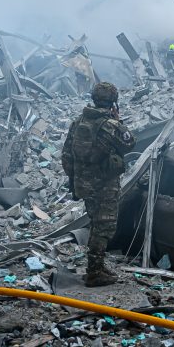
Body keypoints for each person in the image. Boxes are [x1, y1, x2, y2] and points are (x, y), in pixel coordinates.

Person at [61, 82, 135, 286]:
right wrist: (117, 120)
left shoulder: (78, 122)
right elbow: (130, 143)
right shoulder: (111, 125)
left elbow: (66, 156)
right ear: (113, 103)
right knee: (105, 227)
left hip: (85, 185)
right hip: (105, 185)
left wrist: (76, 178)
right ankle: (94, 272)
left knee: (96, 223)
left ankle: (97, 265)